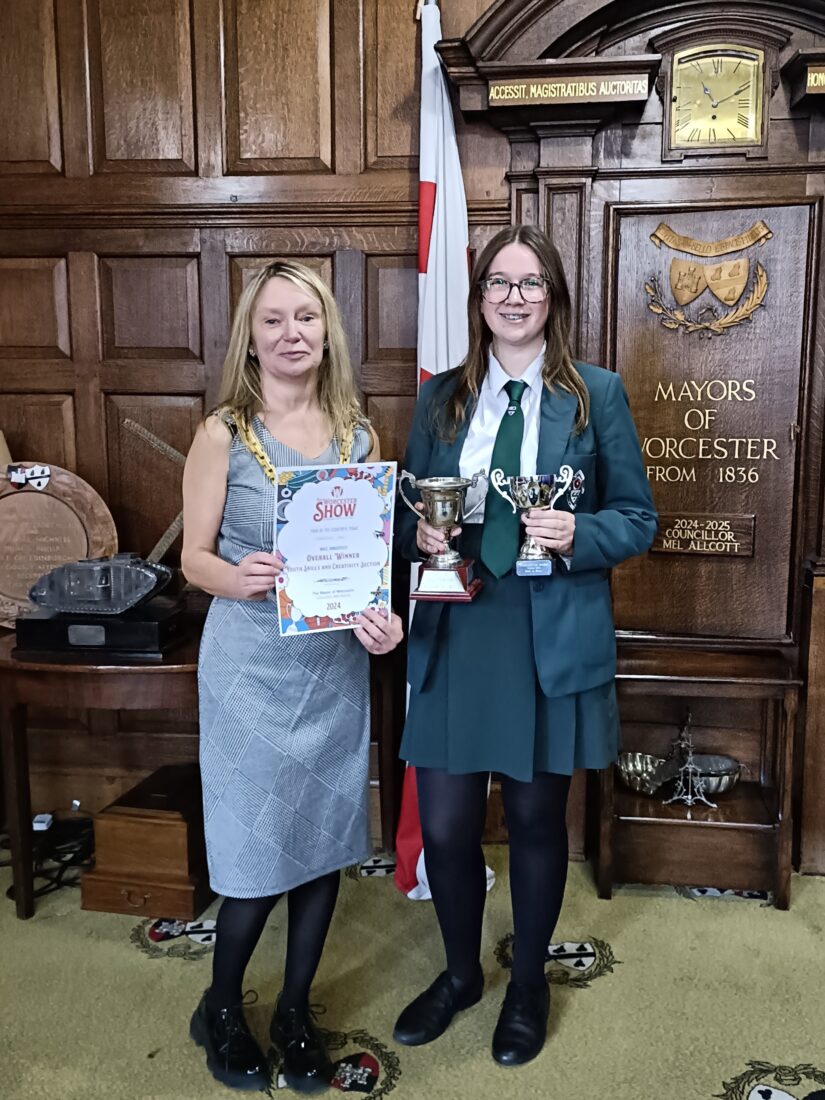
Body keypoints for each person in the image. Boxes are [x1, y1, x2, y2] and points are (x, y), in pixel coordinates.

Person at [392, 225, 657, 1067]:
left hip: (548, 633)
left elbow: (638, 519)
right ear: (478, 300)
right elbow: (404, 511)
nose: (514, 298)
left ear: (554, 300)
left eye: (531, 283)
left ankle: (530, 982)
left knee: (538, 820)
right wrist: (420, 540)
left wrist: (578, 531)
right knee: (445, 826)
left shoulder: (595, 395)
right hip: (457, 625)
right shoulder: (440, 400)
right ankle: (462, 974)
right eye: (499, 283)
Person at [181, 260, 403, 1092]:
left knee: (320, 850)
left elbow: (366, 560)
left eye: (304, 318)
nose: (291, 335)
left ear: (326, 329)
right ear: (251, 334)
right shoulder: (222, 434)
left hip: (330, 668)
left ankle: (294, 1011)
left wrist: (381, 621)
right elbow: (194, 557)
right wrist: (231, 575)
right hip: (248, 671)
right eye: (273, 320)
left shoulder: (358, 433)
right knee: (251, 856)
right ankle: (222, 1008)